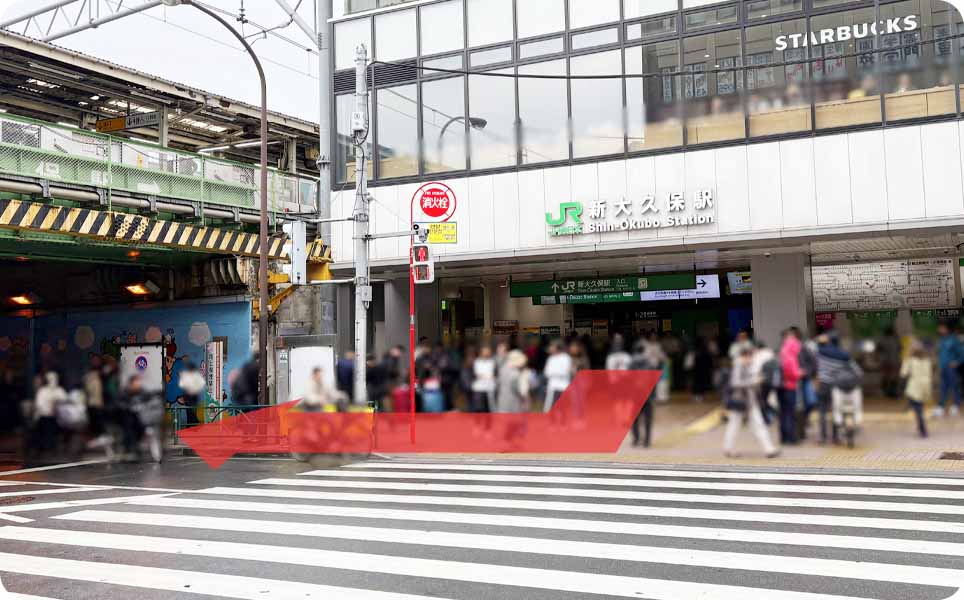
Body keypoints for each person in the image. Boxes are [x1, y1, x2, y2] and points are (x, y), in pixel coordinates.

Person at [724, 346, 779, 459]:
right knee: (734, 425)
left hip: (750, 401)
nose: (752, 359)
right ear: (744, 356)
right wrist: (753, 381)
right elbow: (735, 383)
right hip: (740, 401)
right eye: (750, 357)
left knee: (758, 424)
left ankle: (769, 449)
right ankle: (728, 448)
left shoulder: (746, 365)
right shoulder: (739, 365)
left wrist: (755, 378)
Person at [629, 336, 666, 447]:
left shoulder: (631, 364)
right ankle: (647, 441)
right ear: (643, 350)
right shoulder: (649, 363)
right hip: (647, 395)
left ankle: (636, 439)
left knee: (634, 419)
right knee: (648, 419)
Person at [900, 341, 932, 438]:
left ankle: (923, 430)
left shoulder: (910, 360)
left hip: (914, 387)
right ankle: (919, 426)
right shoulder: (927, 360)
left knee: (918, 410)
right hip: (925, 386)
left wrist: (905, 361)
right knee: (920, 407)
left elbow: (903, 373)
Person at [32, 371, 66, 454]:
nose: (53, 381)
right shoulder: (43, 391)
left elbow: (65, 400)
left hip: (59, 417)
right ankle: (45, 446)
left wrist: (56, 404)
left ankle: (53, 445)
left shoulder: (59, 390)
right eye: (50, 379)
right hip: (44, 417)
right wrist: (48, 410)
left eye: (54, 379)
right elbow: (39, 405)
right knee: (46, 423)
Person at [779, 328, 803, 445]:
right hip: (790, 387)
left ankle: (783, 437)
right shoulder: (791, 358)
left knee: (783, 413)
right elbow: (793, 374)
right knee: (790, 413)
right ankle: (791, 438)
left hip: (781, 387)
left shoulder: (782, 353)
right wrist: (800, 372)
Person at [935, 322, 963, 417]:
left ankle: (956, 406)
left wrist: (957, 362)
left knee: (954, 387)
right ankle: (941, 407)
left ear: (946, 328)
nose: (939, 329)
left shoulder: (954, 340)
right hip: (943, 368)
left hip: (951, 369)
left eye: (941, 327)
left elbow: (962, 353)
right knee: (943, 388)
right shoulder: (941, 340)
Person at [496, 349, 531, 413]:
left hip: (502, 400)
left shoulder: (502, 369)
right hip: (513, 402)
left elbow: (498, 383)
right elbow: (518, 389)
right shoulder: (515, 373)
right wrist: (525, 398)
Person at [543, 340, 572, 412]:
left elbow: (565, 372)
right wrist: (556, 372)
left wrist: (553, 372)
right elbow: (546, 373)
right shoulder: (550, 358)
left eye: (552, 346)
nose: (550, 348)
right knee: (549, 408)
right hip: (552, 387)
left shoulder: (566, 358)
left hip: (564, 387)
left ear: (558, 347)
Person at [177, 360, 205, 426]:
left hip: (189, 398)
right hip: (193, 398)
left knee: (190, 413)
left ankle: (191, 425)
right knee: (192, 413)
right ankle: (193, 425)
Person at [470, 345, 497, 413]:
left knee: (491, 407)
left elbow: (493, 374)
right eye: (485, 352)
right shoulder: (477, 362)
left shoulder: (492, 362)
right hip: (479, 388)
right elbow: (477, 374)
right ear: (481, 352)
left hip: (490, 387)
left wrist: (488, 376)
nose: (486, 353)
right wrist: (487, 376)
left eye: (488, 352)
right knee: (479, 407)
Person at [878, 327, 902, 399]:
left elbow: (878, 349)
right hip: (895, 360)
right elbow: (900, 348)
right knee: (894, 377)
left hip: (885, 361)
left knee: (886, 376)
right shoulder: (896, 340)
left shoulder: (882, 340)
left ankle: (885, 392)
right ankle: (893, 392)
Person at [690, 337, 714, 404]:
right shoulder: (705, 351)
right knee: (701, 383)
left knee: (697, 382)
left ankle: (697, 396)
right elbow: (710, 361)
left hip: (697, 370)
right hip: (702, 370)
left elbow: (691, 362)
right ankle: (700, 395)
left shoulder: (695, 351)